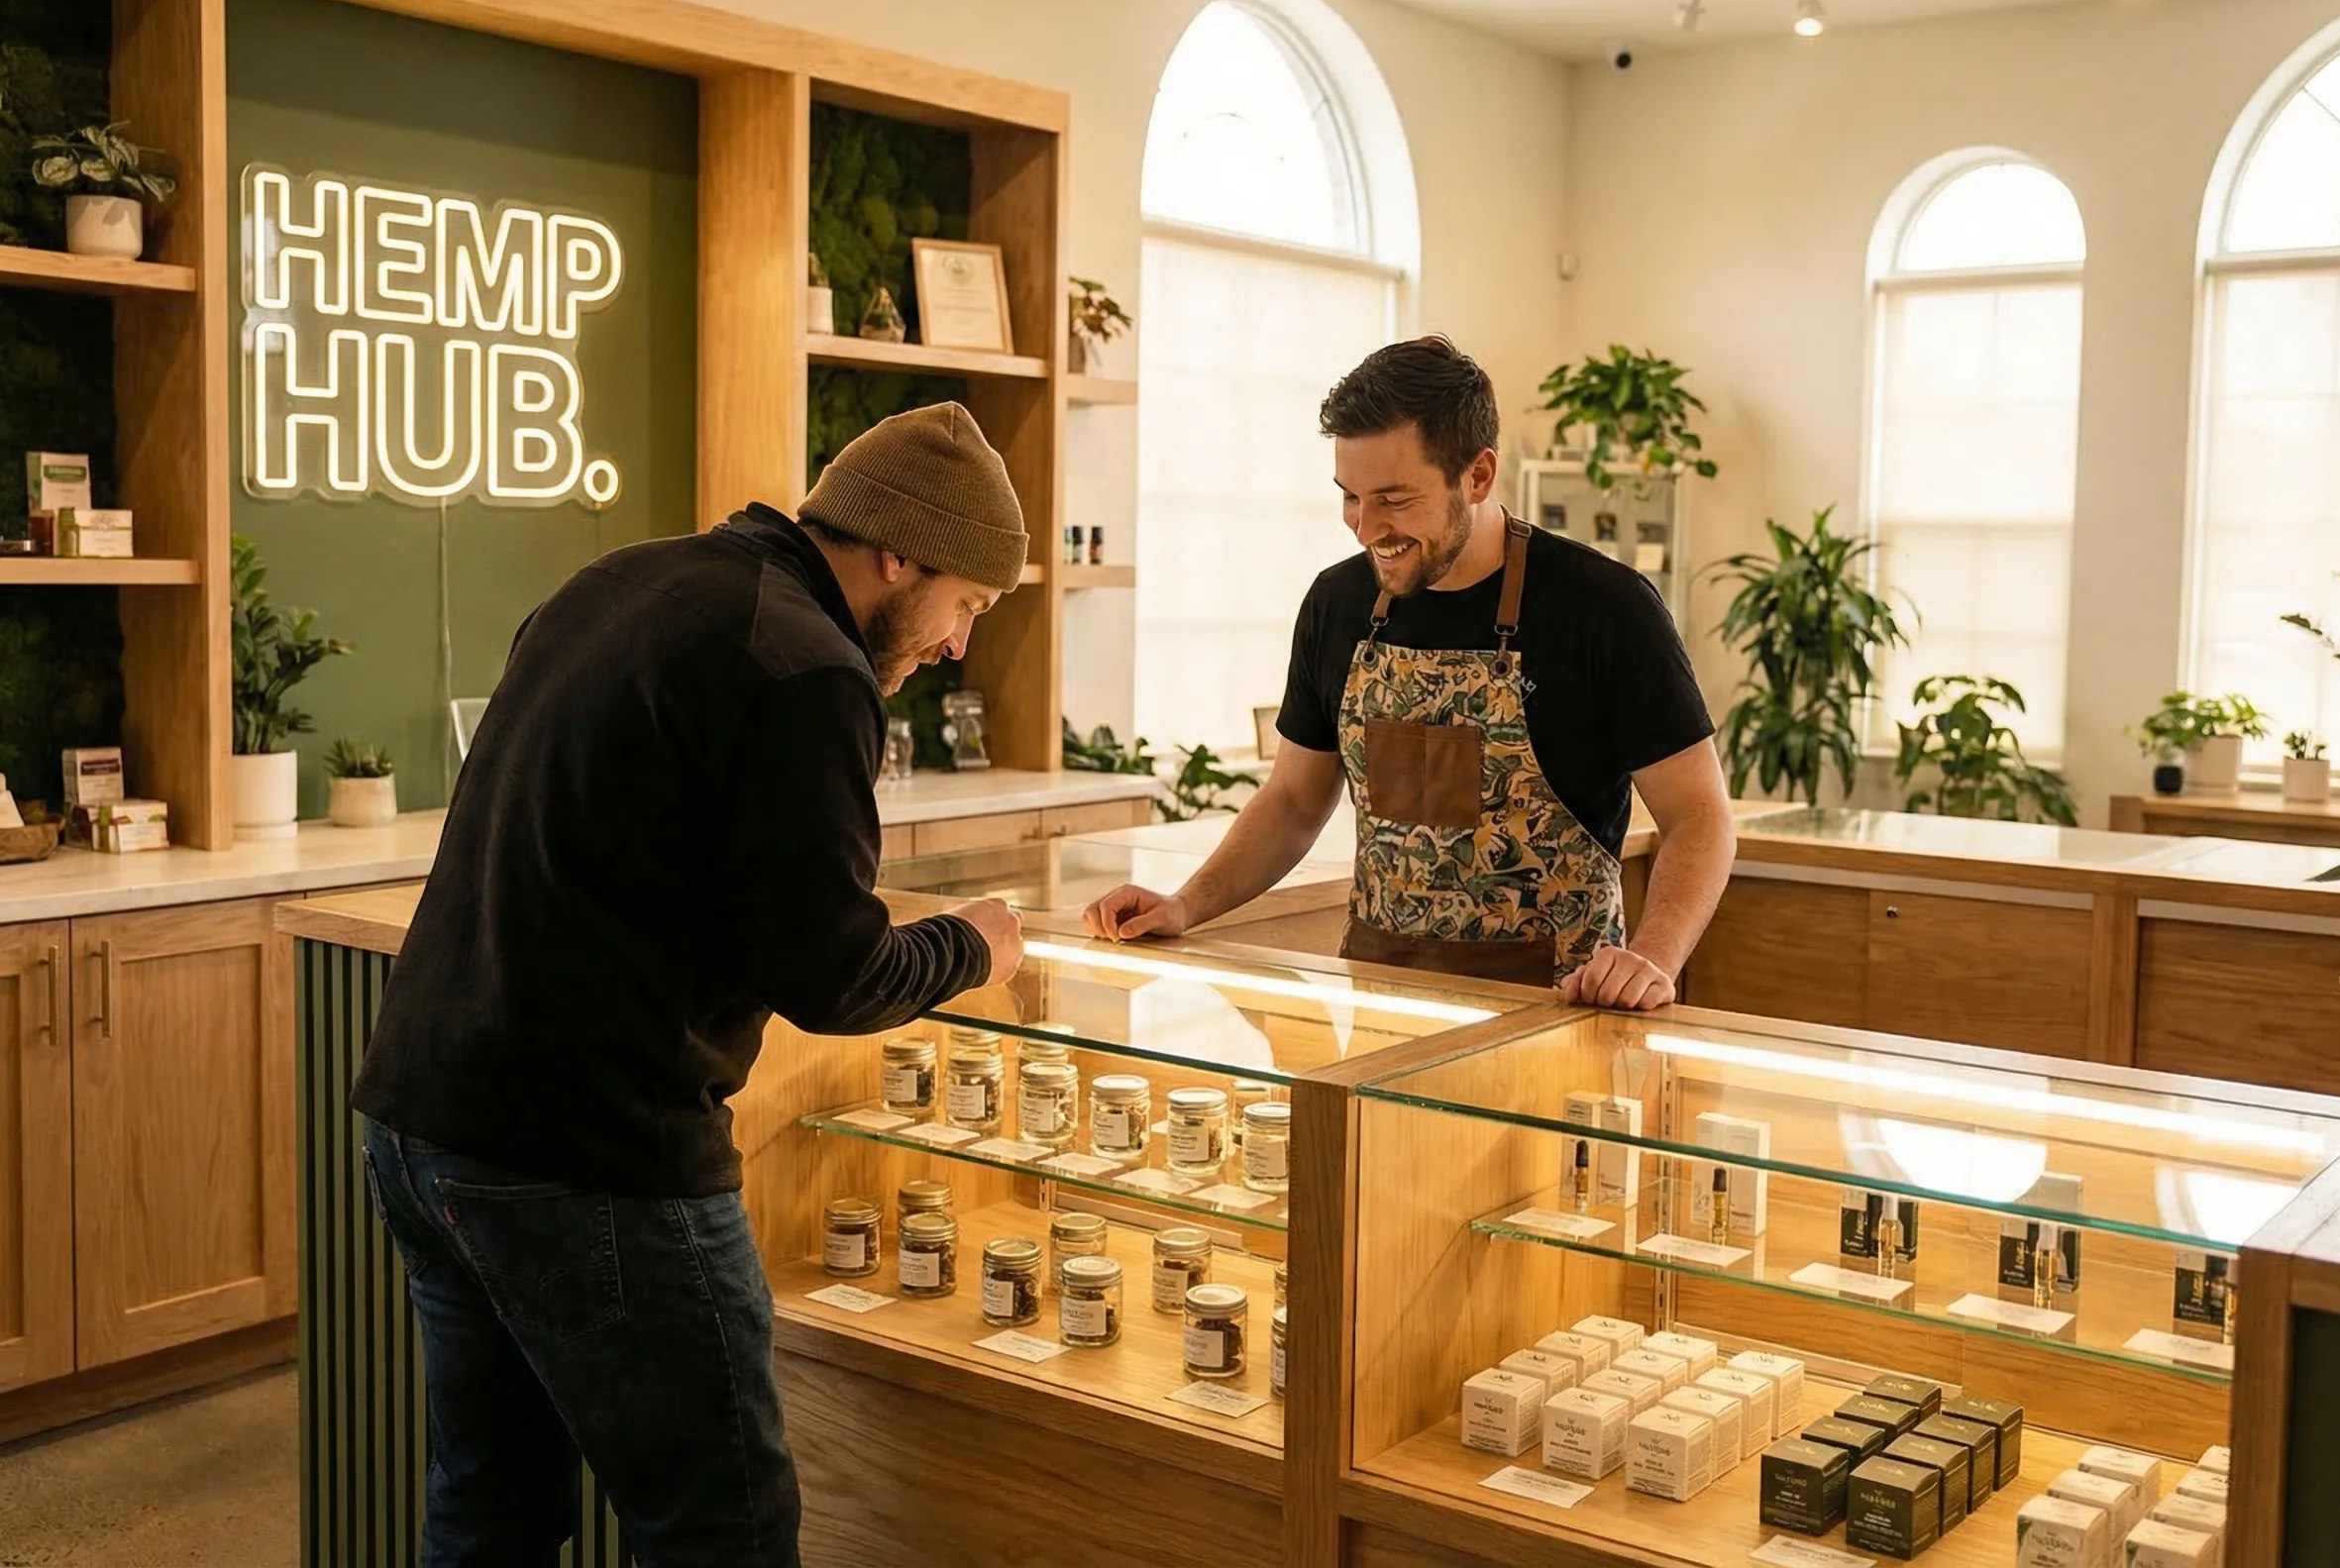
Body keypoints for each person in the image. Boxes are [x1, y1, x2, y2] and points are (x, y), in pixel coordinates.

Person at [352, 401, 1030, 1567]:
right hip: (590, 1156)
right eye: (966, 604)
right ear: (897, 553)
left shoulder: (618, 581)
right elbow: (831, 974)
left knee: (490, 1509)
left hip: (425, 1115)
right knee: (722, 1528)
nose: (958, 644)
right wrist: (974, 945)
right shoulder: (805, 664)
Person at [1085, 337, 1734, 1005]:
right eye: (1350, 497)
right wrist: (1186, 904)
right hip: (1381, 1004)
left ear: (1477, 476)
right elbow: (1293, 801)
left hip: (1556, 1012)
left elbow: (1699, 817)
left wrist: (1650, 961)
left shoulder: (1605, 609)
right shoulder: (1337, 603)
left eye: (1394, 499)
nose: (1366, 528)